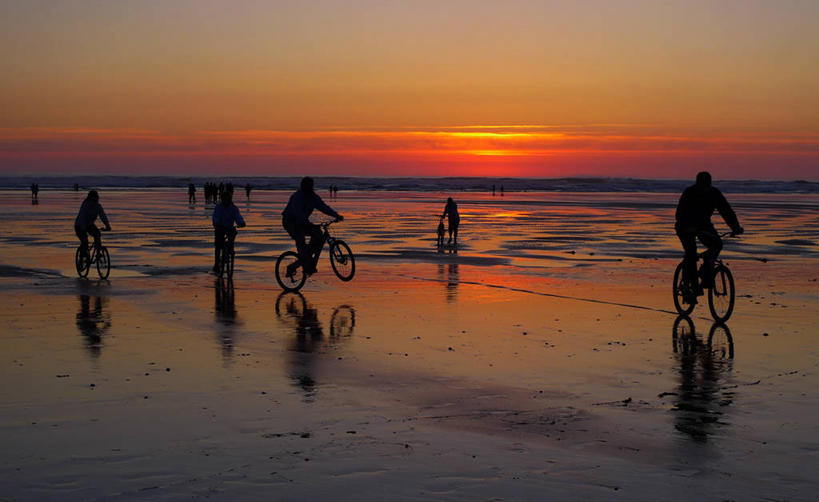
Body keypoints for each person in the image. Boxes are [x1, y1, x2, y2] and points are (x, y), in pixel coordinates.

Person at [675, 171, 744, 303]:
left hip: (704, 225)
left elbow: (726, 211)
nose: (705, 187)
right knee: (691, 254)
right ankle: (688, 287)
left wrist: (735, 227)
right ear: (697, 182)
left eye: (707, 184)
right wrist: (688, 227)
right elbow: (680, 214)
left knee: (717, 244)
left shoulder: (714, 193)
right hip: (685, 226)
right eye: (703, 184)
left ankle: (705, 271)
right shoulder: (689, 192)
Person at [281, 177, 343, 275]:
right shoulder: (297, 197)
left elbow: (324, 207)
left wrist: (336, 215)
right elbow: (298, 213)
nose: (310, 187)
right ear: (303, 186)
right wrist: (309, 224)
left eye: (311, 185)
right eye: (308, 185)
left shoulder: (313, 197)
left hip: (302, 222)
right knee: (300, 240)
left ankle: (307, 258)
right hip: (290, 222)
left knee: (318, 234)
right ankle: (303, 262)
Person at [212, 190, 246, 273]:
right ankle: (216, 263)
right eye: (224, 199)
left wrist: (241, 223)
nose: (225, 200)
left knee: (231, 238)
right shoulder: (218, 207)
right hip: (220, 227)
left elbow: (238, 217)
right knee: (218, 245)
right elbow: (215, 217)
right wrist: (216, 223)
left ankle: (230, 250)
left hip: (229, 228)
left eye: (227, 199)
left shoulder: (234, 208)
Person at [75, 190, 111, 259]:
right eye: (94, 197)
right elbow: (82, 217)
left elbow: (103, 216)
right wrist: (83, 228)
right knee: (85, 242)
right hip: (79, 225)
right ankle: (82, 255)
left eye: (96, 197)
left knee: (97, 234)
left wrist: (108, 226)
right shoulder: (85, 205)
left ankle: (98, 253)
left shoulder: (98, 206)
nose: (96, 199)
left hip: (89, 225)